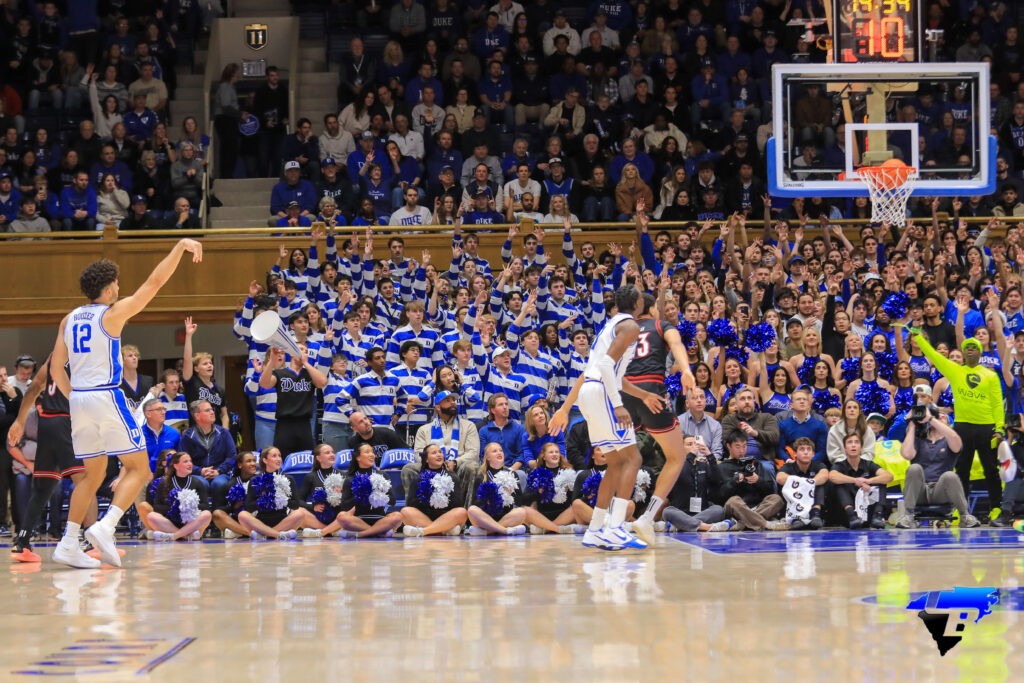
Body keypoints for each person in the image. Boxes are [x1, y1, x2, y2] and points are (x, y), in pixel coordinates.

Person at [47, 238, 203, 568]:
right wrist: (179, 247)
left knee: (92, 475)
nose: (120, 288)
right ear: (107, 289)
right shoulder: (112, 314)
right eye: (117, 283)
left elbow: (56, 368)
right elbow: (154, 283)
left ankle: (68, 542)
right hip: (105, 394)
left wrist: (75, 397)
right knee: (140, 468)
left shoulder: (68, 319)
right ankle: (106, 526)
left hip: (79, 400)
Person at [548, 284, 666, 550]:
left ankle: (594, 530)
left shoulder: (609, 326)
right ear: (638, 304)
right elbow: (605, 366)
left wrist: (565, 408)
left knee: (614, 464)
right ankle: (615, 527)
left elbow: (599, 372)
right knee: (633, 459)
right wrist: (618, 404)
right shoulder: (631, 326)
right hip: (602, 394)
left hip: (590, 392)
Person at [618, 286, 694, 544]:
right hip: (651, 392)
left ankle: (613, 519)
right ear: (651, 309)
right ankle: (647, 517)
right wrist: (686, 370)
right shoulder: (661, 325)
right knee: (676, 457)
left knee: (624, 461)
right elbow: (677, 343)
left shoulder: (622, 329)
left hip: (624, 394)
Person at [6, 356, 95, 563]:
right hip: (67, 421)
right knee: (85, 482)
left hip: (46, 422)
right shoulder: (86, 353)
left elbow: (35, 386)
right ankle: (92, 543)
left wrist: (20, 421)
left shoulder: (55, 356)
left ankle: (22, 544)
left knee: (43, 487)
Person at [911, 331, 1005, 511]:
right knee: (961, 470)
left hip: (986, 428)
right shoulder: (955, 370)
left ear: (980, 352)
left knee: (991, 470)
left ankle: (996, 508)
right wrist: (919, 337)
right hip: (962, 427)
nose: (970, 350)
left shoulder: (991, 376)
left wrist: (999, 428)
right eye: (967, 347)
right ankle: (961, 510)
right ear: (963, 352)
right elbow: (934, 355)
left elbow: (997, 404)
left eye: (974, 347)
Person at [897, 407, 980, 528]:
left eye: (943, 417)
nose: (939, 417)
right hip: (920, 490)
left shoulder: (950, 440)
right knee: (914, 468)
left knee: (950, 475)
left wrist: (931, 419)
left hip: (941, 491)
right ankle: (908, 516)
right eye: (937, 416)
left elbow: (955, 441)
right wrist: (912, 424)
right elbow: (906, 454)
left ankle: (965, 516)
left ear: (948, 424)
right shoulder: (920, 440)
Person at [259, 344, 329, 456]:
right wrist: (271, 361)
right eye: (301, 349)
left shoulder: (309, 373)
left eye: (306, 351)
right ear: (292, 353)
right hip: (284, 424)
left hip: (304, 424)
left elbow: (322, 382)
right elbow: (264, 384)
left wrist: (306, 363)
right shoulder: (280, 373)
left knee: (306, 459)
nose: (303, 353)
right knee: (283, 459)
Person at [238, 446, 317, 539]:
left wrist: (282, 499)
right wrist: (264, 498)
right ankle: (278, 535)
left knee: (299, 513)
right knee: (242, 515)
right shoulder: (255, 479)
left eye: (279, 456)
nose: (278, 459)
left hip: (283, 521)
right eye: (274, 456)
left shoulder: (288, 479)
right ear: (265, 460)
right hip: (261, 521)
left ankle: (266, 535)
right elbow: (249, 507)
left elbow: (296, 504)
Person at [717, 431, 787, 531]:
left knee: (777, 498)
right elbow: (719, 496)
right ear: (728, 446)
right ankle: (765, 523)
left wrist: (758, 480)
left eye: (744, 446)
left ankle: (743, 523)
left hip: (757, 506)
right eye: (737, 447)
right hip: (737, 508)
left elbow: (770, 490)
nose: (742, 450)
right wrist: (734, 482)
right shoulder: (722, 467)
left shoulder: (755, 463)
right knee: (733, 501)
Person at [661, 434, 730, 532]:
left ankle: (682, 525)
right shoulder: (674, 465)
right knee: (667, 511)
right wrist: (691, 456)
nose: (694, 447)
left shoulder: (703, 465)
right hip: (680, 512)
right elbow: (682, 473)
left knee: (718, 509)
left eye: (695, 444)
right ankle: (706, 527)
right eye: (690, 444)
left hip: (702, 512)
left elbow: (718, 480)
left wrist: (709, 455)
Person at [335, 443, 404, 538]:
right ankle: (379, 532)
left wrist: (381, 495)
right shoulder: (350, 478)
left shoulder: (382, 475)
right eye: (367, 452)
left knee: (398, 516)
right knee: (341, 516)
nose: (372, 455)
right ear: (358, 457)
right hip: (358, 520)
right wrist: (361, 494)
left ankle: (360, 534)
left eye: (372, 452)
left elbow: (393, 501)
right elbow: (344, 505)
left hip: (380, 519)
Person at [400, 444, 469, 536]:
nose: (439, 455)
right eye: (434, 453)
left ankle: (424, 531)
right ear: (426, 459)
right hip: (424, 517)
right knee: (405, 511)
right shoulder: (418, 478)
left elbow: (458, 503)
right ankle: (443, 531)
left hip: (446, 517)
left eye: (440, 452)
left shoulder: (452, 477)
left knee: (462, 512)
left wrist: (444, 497)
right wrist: (426, 496)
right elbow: (411, 504)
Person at [828, 432, 894, 529]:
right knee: (838, 483)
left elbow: (888, 476)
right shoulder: (840, 465)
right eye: (850, 442)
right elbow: (832, 476)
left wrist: (868, 481)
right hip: (847, 514)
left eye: (856, 442)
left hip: (867, 510)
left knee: (881, 482)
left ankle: (878, 516)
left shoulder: (868, 464)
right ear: (845, 448)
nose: (853, 445)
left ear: (861, 448)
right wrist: (855, 480)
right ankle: (852, 515)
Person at [144, 452, 214, 541]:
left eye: (190, 461)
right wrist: (175, 507)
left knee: (207, 514)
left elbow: (205, 506)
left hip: (191, 522)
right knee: (151, 516)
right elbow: (157, 507)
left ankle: (173, 536)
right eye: (185, 461)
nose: (190, 464)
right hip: (170, 522)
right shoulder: (164, 483)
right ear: (176, 465)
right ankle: (187, 536)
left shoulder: (198, 483)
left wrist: (188, 507)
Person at [776, 437, 828, 530]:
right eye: (802, 449)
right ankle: (796, 517)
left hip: (812, 504)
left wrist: (808, 483)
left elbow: (824, 475)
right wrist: (803, 483)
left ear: (813, 454)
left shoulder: (818, 465)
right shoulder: (789, 466)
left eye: (809, 449)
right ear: (795, 453)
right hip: (794, 507)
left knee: (818, 483)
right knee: (792, 484)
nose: (806, 452)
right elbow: (779, 478)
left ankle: (815, 514)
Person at [211, 450, 259, 538]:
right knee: (217, 514)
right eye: (249, 461)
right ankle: (249, 533)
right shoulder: (229, 485)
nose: (253, 464)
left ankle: (238, 532)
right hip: (237, 521)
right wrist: (233, 507)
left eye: (254, 461)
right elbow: (218, 509)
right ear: (240, 465)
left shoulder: (261, 480)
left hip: (257, 519)